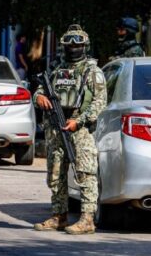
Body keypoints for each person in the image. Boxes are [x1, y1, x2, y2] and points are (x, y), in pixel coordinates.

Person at [32, 24, 107, 235]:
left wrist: (80, 121)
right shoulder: (56, 70)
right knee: (55, 173)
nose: (73, 49)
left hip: (79, 128)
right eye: (69, 45)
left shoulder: (93, 72)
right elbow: (39, 89)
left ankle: (87, 219)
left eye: (78, 45)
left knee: (85, 173)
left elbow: (99, 103)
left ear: (85, 46)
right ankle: (59, 215)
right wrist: (39, 97)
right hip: (56, 125)